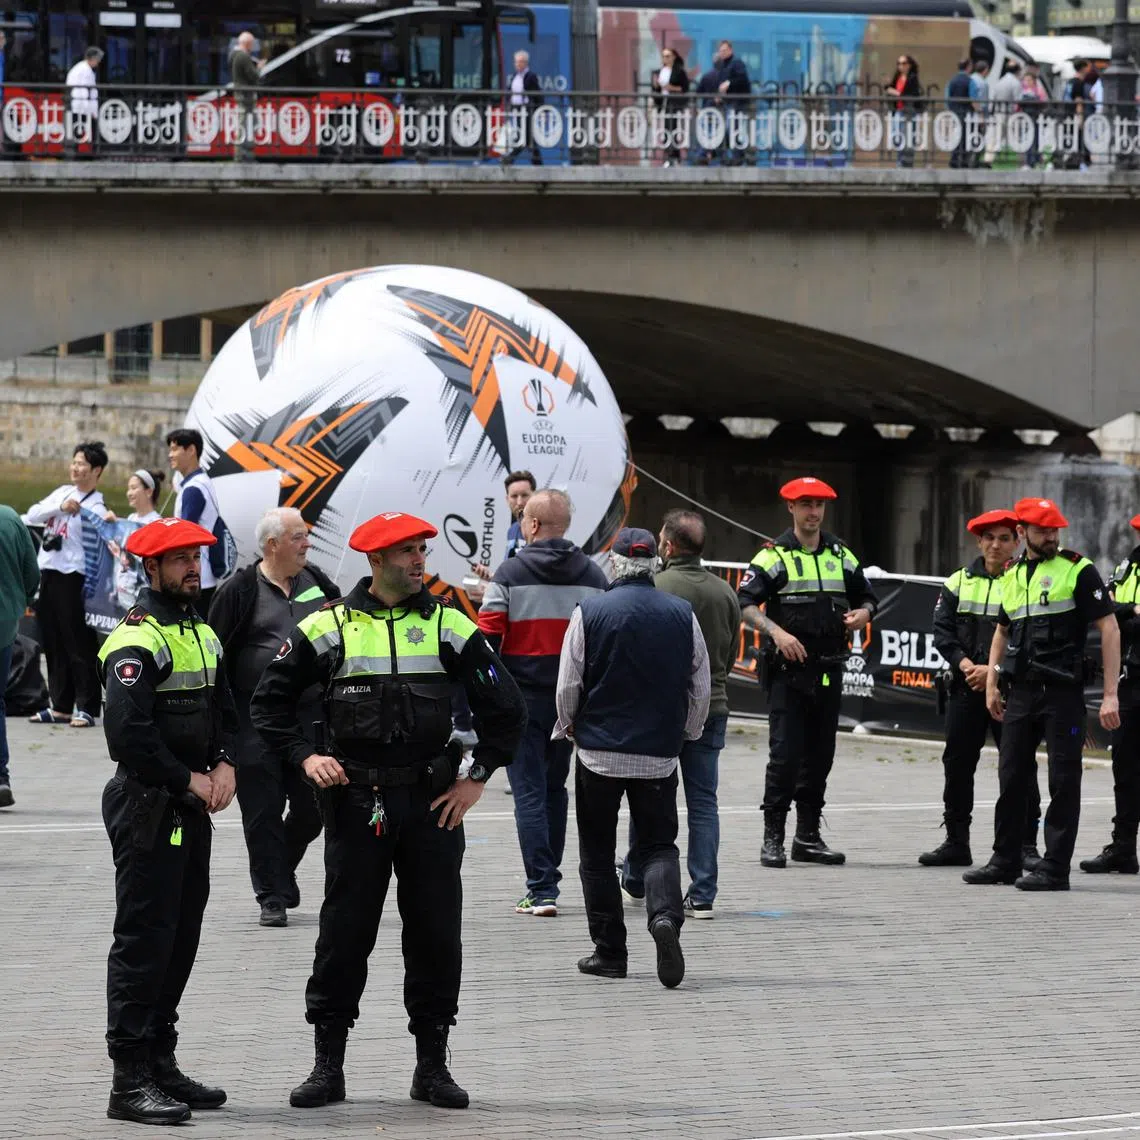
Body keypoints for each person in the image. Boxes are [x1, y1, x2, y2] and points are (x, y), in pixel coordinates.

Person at [250, 512, 525, 1111]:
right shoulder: (328, 625)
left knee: (434, 934)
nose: (420, 560)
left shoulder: (451, 622)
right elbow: (267, 705)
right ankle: (328, 1066)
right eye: (406, 553)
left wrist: (476, 778)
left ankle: (432, 1066)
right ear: (375, 561)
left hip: (432, 808)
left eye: (422, 550)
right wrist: (304, 758)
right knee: (344, 934)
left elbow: (507, 709)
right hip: (355, 805)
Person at [98, 517, 238, 1125]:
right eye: (179, 559)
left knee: (180, 937)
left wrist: (226, 762)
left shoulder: (201, 631)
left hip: (189, 808)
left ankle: (160, 1060)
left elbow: (224, 707)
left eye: (197, 557)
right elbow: (128, 734)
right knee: (144, 941)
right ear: (150, 568)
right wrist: (190, 779)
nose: (191, 568)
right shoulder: (136, 638)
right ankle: (128, 1081)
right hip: (149, 806)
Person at [554, 527, 710, 988]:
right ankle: (664, 917)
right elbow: (699, 685)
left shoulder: (590, 612)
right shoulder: (683, 614)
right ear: (654, 563)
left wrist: (568, 727)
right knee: (660, 844)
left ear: (615, 562)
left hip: (598, 752)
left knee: (597, 855)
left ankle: (610, 953)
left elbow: (568, 683)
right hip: (658, 754)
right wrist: (688, 731)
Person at [965, 497, 1120, 891]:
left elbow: (1110, 629)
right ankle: (1005, 860)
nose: (1051, 536)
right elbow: (1002, 631)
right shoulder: (1013, 574)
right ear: (1023, 533)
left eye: (1054, 530)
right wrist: (993, 684)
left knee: (1063, 781)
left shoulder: (1078, 569)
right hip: (1021, 692)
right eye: (1042, 530)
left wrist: (1109, 695)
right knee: (1012, 775)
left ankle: (1055, 868)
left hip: (1062, 694)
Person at [477, 489, 608, 916]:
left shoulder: (510, 572)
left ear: (530, 525)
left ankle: (541, 887)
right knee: (555, 788)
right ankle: (548, 878)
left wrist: (489, 698)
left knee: (528, 791)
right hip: (572, 701)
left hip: (523, 699)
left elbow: (487, 643)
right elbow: (604, 641)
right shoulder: (593, 575)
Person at [208, 507, 339, 927]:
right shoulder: (240, 590)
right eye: (299, 537)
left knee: (313, 806)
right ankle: (271, 894)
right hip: (253, 715)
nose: (307, 543)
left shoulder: (317, 583)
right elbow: (215, 655)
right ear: (273, 545)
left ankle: (279, 867)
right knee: (262, 810)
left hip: (309, 715)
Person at [738, 477, 877, 868]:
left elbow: (867, 596)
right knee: (785, 756)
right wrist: (776, 632)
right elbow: (745, 602)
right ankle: (773, 839)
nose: (813, 512)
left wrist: (864, 612)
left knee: (820, 757)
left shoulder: (841, 554)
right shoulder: (773, 556)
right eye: (805, 505)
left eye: (818, 505)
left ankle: (808, 838)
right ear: (791, 508)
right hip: (789, 674)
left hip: (829, 671)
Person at [621, 509, 739, 918]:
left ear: (668, 546)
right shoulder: (725, 592)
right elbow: (730, 652)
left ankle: (636, 877)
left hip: (662, 711)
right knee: (704, 802)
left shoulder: (655, 585)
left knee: (648, 793)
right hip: (715, 705)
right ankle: (703, 892)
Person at [921, 510, 1042, 867]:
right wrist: (966, 666)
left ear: (1017, 541)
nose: (995, 544)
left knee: (1019, 768)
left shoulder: (1028, 581)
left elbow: (1032, 637)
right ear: (978, 541)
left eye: (1004, 538)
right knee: (957, 765)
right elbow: (943, 633)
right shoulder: (959, 581)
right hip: (964, 687)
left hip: (1011, 691)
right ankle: (956, 842)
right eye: (989, 537)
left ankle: (1026, 847)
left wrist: (994, 670)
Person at [24, 440, 108, 728]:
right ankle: (59, 705)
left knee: (78, 641)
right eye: (74, 462)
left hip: (74, 578)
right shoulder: (63, 493)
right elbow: (32, 514)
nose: (76, 468)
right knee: (53, 639)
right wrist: (60, 508)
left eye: (82, 464)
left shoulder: (97, 506)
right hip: (49, 572)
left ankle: (86, 707)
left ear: (96, 470)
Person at [1080, 513, 1140, 874]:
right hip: (1132, 680)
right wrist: (1131, 611)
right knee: (1126, 768)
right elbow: (1105, 609)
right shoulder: (1128, 566)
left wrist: (1123, 615)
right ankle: (1123, 848)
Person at [0, 504, 40, 807]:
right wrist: (20, 601)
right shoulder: (11, 518)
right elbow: (31, 574)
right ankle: (1, 777)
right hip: (4, 625)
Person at [167, 428, 223, 614]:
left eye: (175, 449)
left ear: (191, 450)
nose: (170, 455)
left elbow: (183, 534)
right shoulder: (202, 482)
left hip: (195, 576)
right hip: (201, 574)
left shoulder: (193, 489)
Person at [104, 469, 165, 613]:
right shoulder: (130, 519)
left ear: (149, 491)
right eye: (128, 489)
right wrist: (112, 525)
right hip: (122, 591)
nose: (129, 493)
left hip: (143, 593)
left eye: (133, 488)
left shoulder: (157, 522)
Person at [503, 50, 543, 166]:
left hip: (526, 110)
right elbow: (511, 91)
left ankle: (509, 158)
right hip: (516, 110)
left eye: (520, 62)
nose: (517, 64)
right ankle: (537, 162)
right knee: (528, 137)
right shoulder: (515, 76)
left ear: (525, 63)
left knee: (524, 136)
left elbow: (537, 95)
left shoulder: (531, 76)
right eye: (516, 62)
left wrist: (540, 110)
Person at [651, 46, 690, 166]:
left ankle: (673, 155)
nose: (665, 59)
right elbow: (656, 89)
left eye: (668, 56)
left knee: (672, 128)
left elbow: (685, 88)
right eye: (663, 56)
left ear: (673, 57)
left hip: (674, 103)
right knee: (664, 129)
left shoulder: (679, 71)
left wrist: (671, 88)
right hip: (662, 103)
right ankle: (667, 155)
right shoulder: (659, 72)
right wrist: (656, 86)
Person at [230, 30, 264, 160]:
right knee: (245, 123)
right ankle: (241, 154)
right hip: (246, 96)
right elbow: (254, 76)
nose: (253, 46)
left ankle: (245, 152)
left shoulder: (235, 55)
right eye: (252, 43)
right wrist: (259, 67)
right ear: (247, 43)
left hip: (241, 94)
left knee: (249, 122)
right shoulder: (243, 57)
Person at [64, 46, 102, 151]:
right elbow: (85, 91)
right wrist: (91, 110)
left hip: (77, 105)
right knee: (86, 129)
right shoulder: (86, 70)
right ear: (92, 59)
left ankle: (79, 151)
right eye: (97, 60)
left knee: (77, 129)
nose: (98, 63)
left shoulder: (80, 67)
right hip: (82, 106)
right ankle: (91, 152)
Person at [888, 55, 921, 168]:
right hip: (898, 110)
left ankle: (906, 161)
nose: (901, 66)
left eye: (903, 63)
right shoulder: (897, 77)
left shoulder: (912, 78)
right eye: (899, 63)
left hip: (908, 111)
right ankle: (899, 159)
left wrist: (896, 93)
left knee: (907, 136)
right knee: (897, 135)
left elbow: (911, 94)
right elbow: (890, 89)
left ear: (909, 65)